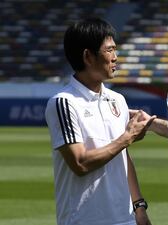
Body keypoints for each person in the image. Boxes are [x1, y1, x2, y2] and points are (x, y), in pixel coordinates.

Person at [45, 18, 158, 225]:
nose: (116, 57)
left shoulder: (117, 100)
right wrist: (127, 138)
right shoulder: (64, 102)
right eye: (110, 50)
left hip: (126, 219)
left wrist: (139, 206)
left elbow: (123, 157)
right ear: (88, 56)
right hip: (85, 220)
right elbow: (80, 163)